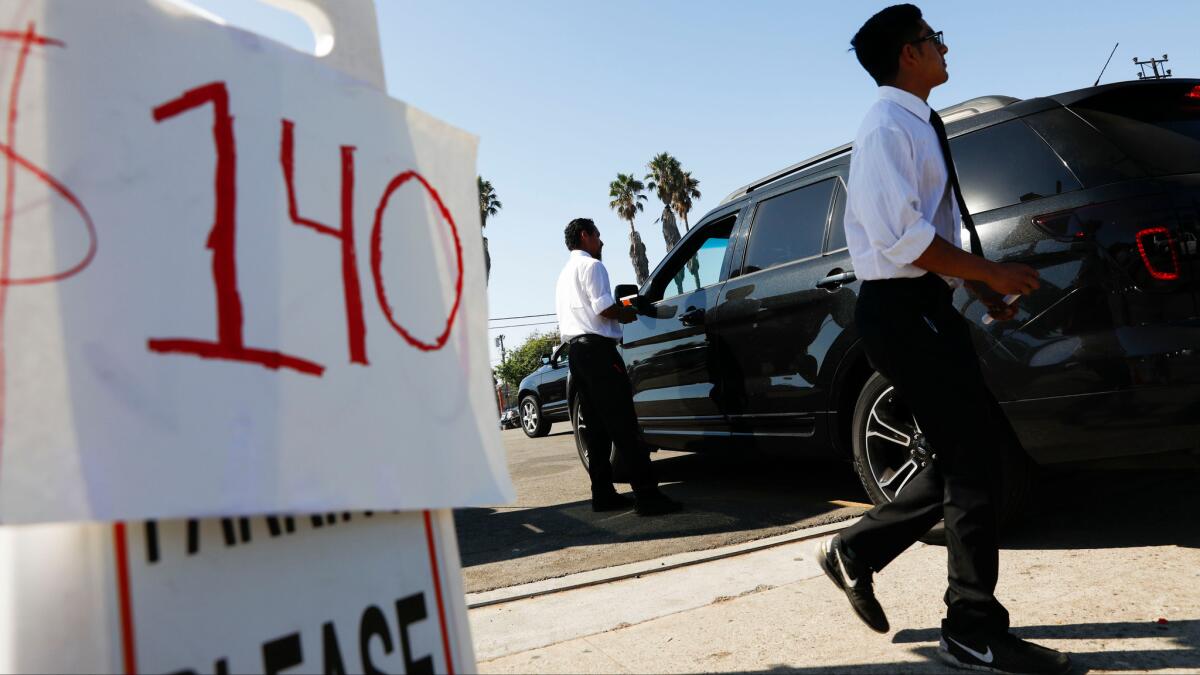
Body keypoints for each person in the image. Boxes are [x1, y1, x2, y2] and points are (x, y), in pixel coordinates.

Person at [813, 6, 1070, 674]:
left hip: (922, 302)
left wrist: (981, 288)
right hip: (898, 310)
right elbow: (902, 240)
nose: (944, 46)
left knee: (971, 450)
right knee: (973, 457)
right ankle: (971, 627)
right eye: (934, 39)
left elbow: (933, 233)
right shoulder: (883, 128)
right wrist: (991, 271)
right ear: (908, 54)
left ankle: (859, 553)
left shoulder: (916, 121)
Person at [555, 218, 682, 517]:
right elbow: (604, 309)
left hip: (576, 354)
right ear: (585, 236)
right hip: (599, 353)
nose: (601, 242)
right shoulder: (592, 266)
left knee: (596, 430)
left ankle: (603, 494)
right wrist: (631, 310)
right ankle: (648, 496)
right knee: (624, 424)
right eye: (598, 235)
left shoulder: (564, 275)